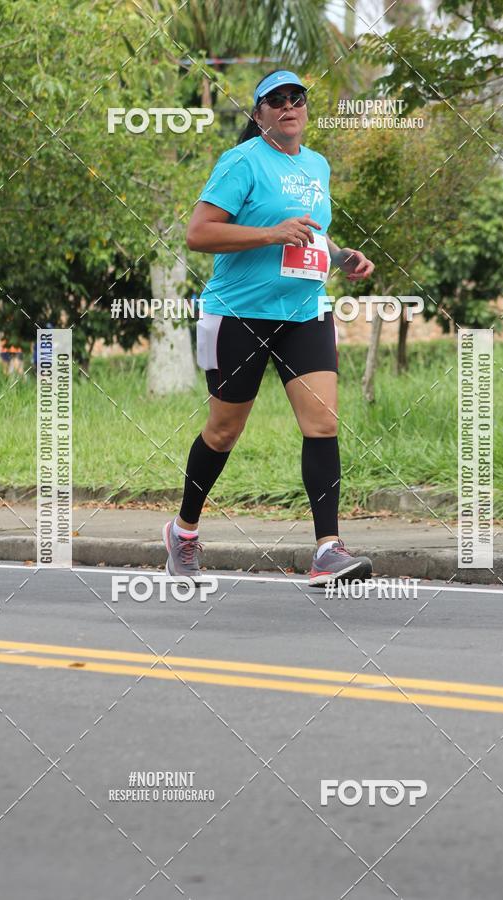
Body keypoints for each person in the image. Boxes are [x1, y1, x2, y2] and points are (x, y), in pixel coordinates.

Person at [163, 70, 375, 587]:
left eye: (295, 98)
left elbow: (310, 234)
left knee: (322, 423)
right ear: (258, 114)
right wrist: (269, 234)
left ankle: (328, 548)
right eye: (275, 100)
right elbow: (198, 234)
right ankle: (184, 530)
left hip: (303, 311)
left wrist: (342, 255)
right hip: (238, 314)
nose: (288, 106)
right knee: (224, 430)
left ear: (305, 108)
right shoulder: (240, 162)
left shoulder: (317, 165)